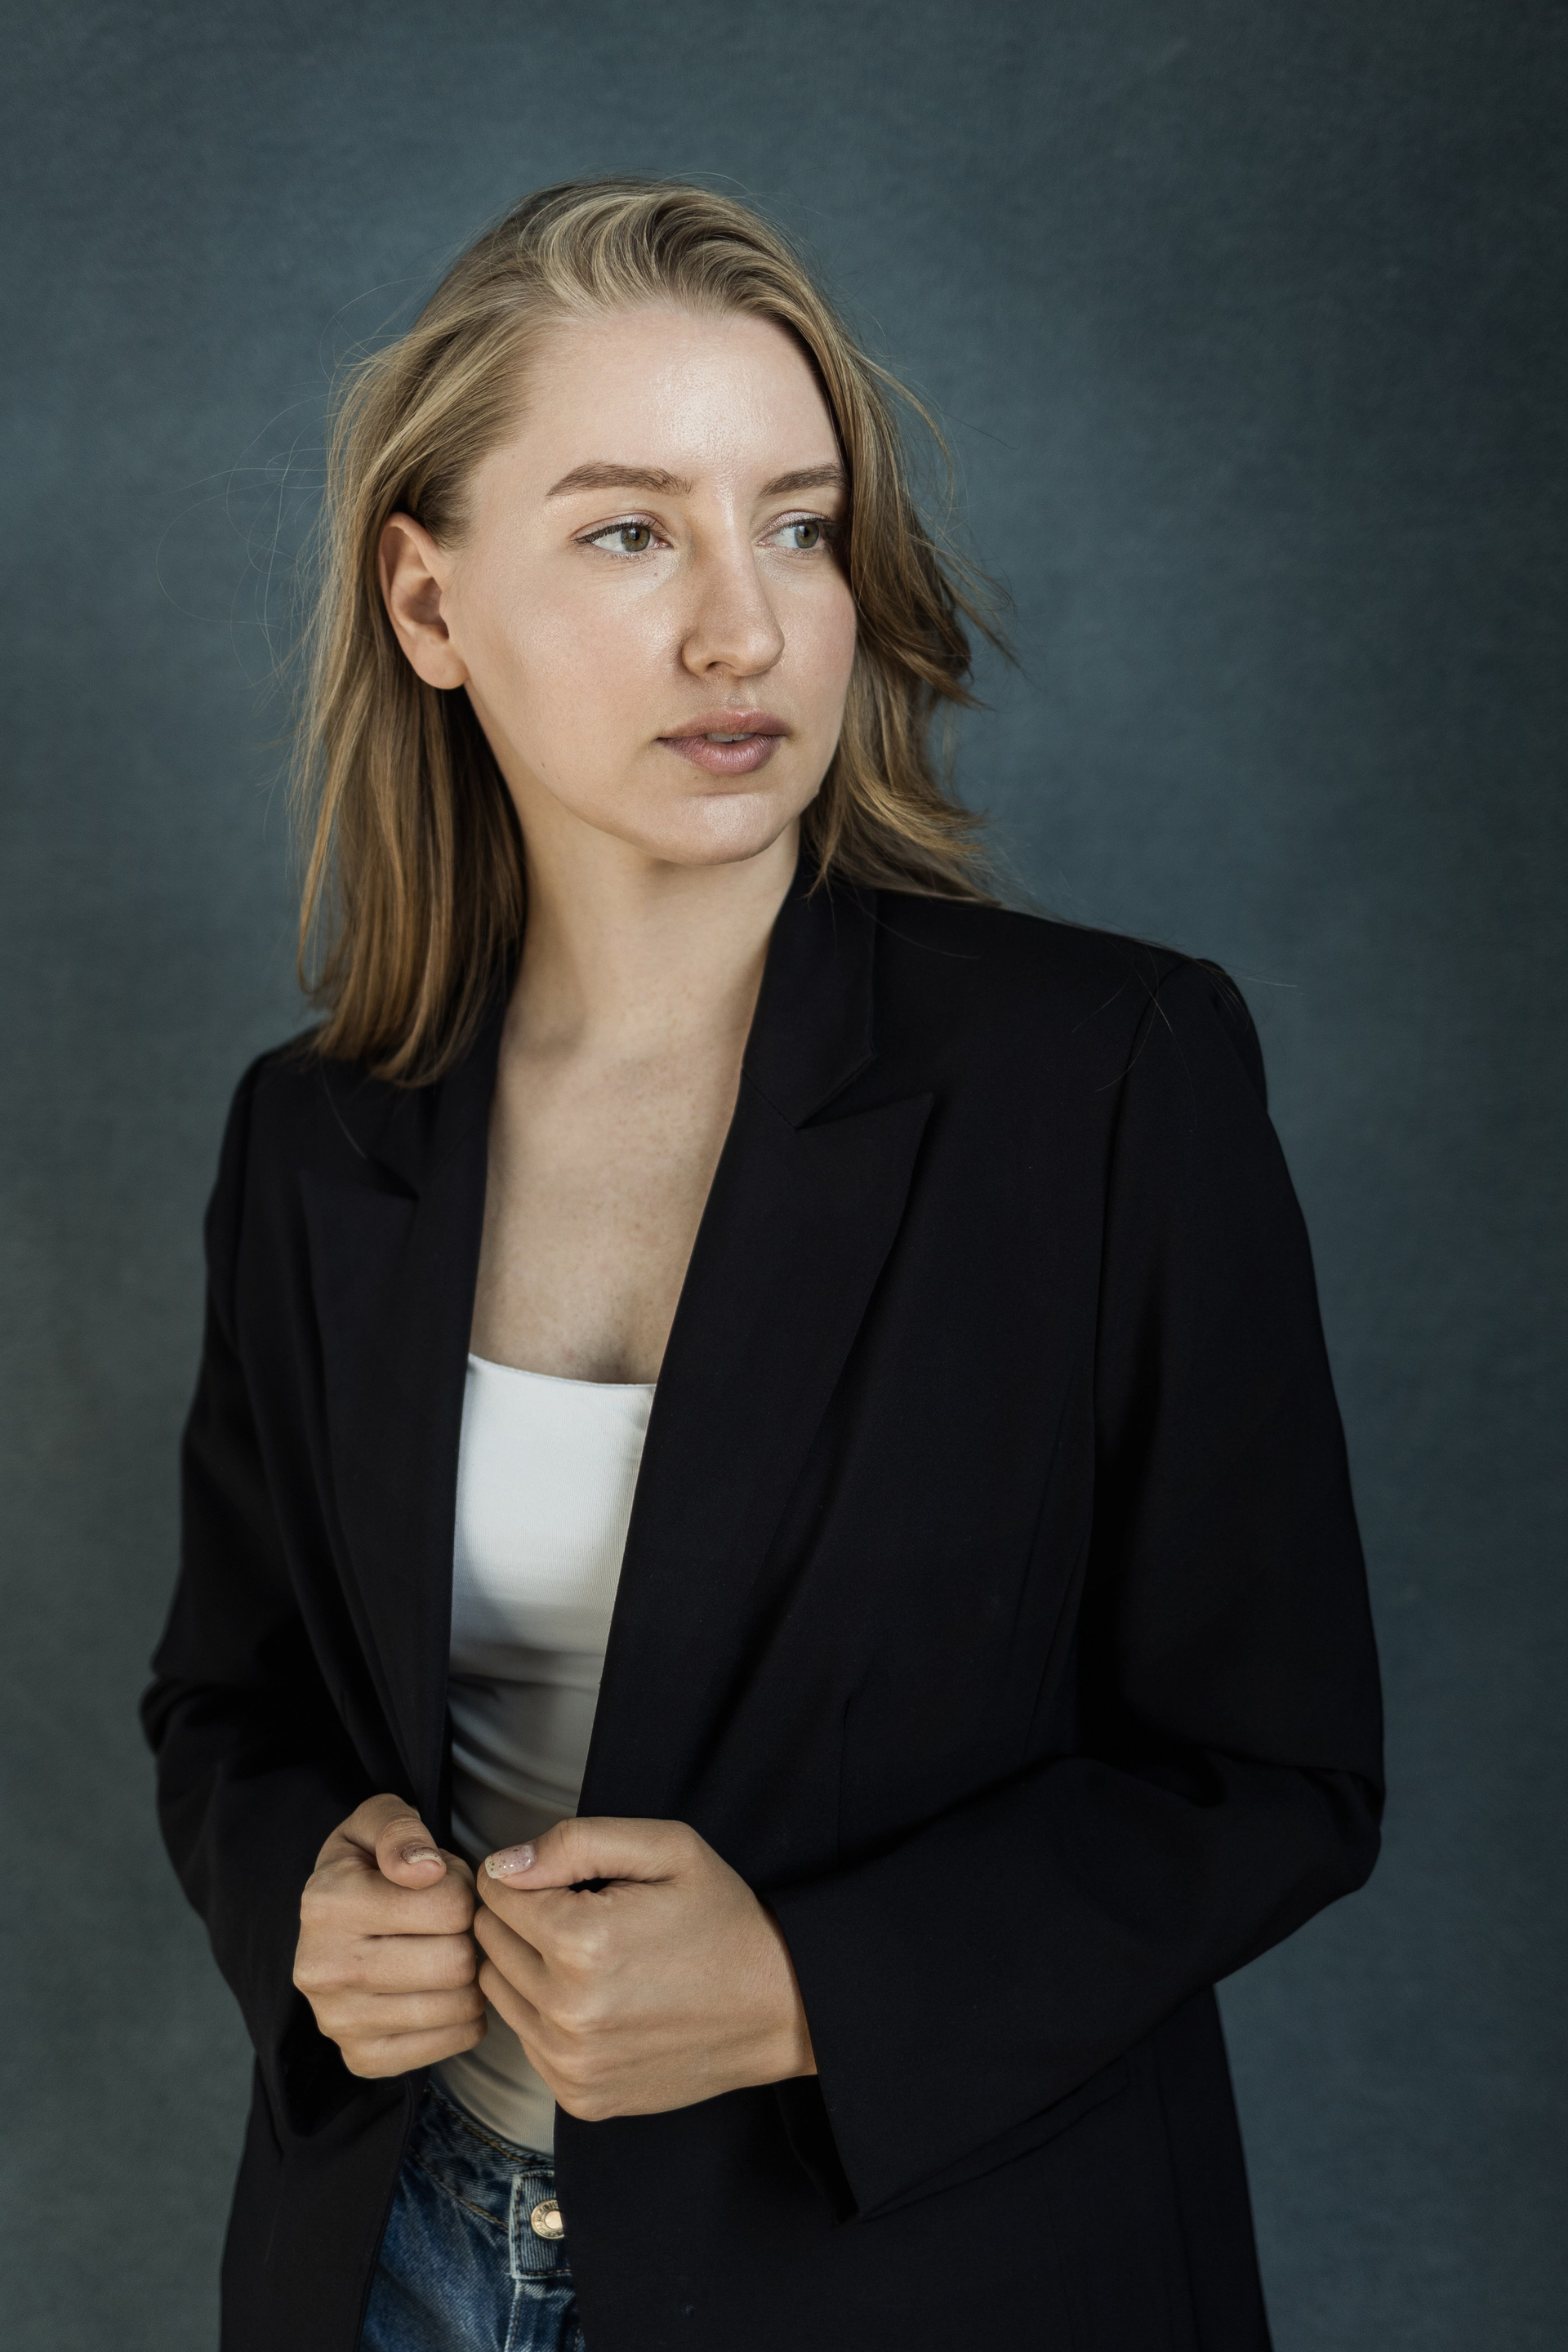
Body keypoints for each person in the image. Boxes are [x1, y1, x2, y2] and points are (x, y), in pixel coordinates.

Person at [143, 178, 1383, 2352]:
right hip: (396, 2265)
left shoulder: (1108, 1074)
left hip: (936, 2280)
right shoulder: (314, 1135)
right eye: (633, 532)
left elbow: (1278, 1772)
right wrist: (309, 1905)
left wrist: (817, 1984)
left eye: (798, 529)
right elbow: (229, 1701)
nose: (747, 632)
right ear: (428, 602)